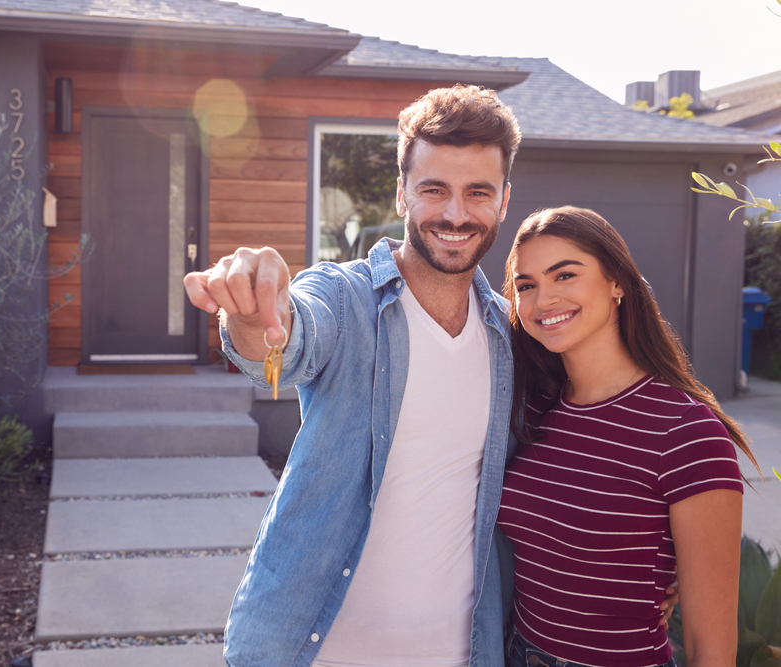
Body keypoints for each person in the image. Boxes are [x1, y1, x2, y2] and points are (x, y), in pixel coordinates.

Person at [184, 87, 677, 667]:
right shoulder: (346, 300)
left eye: (477, 193)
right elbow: (288, 340)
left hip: (461, 650)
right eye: (434, 189)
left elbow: (581, 447)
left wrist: (664, 555)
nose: (455, 214)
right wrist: (252, 312)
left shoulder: (513, 336)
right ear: (401, 194)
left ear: (503, 201)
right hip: (313, 648)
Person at [498, 206, 759, 667]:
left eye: (565, 276)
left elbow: (711, 648)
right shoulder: (532, 409)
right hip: (516, 654)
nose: (543, 301)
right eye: (526, 285)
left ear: (617, 281)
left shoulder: (687, 431)